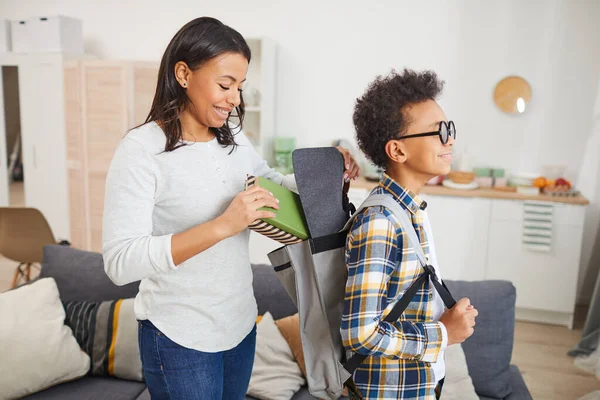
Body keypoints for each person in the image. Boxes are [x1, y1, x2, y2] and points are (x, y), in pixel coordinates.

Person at [102, 17, 360, 400]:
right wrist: (224, 225)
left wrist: (326, 171)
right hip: (179, 338)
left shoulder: (231, 138)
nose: (235, 99)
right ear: (184, 73)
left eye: (239, 87)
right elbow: (120, 262)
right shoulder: (141, 150)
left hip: (240, 327)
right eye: (225, 85)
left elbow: (270, 185)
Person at [341, 69, 478, 399]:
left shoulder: (409, 211)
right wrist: (443, 333)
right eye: (437, 132)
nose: (450, 139)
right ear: (397, 151)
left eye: (450, 128)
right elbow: (360, 334)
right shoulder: (381, 221)